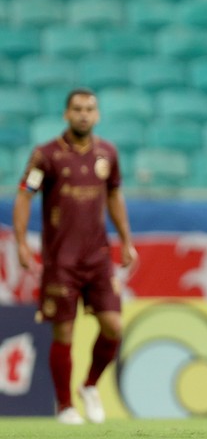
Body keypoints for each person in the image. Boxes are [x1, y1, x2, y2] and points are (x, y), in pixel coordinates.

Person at [12, 88, 137, 425]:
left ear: (97, 115)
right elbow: (24, 196)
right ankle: (65, 406)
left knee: (113, 327)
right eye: (78, 109)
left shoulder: (107, 154)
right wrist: (21, 242)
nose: (84, 114)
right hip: (61, 260)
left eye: (90, 109)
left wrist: (126, 240)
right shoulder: (46, 155)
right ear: (66, 114)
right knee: (63, 333)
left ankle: (90, 386)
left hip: (97, 257)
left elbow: (114, 195)